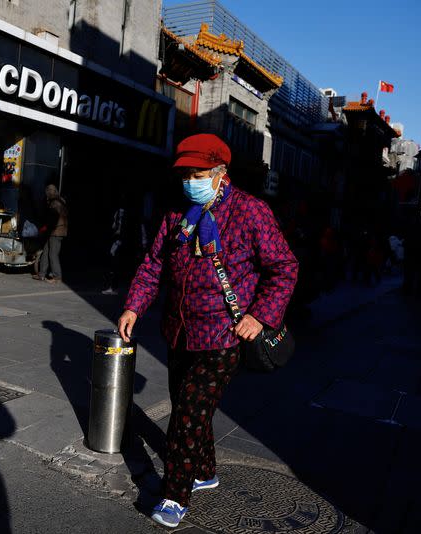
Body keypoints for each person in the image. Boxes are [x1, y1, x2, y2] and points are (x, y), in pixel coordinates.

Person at [116, 134, 298, 528]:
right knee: (191, 407)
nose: (189, 182)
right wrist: (134, 305)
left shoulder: (252, 212)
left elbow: (284, 268)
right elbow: (153, 265)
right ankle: (204, 472)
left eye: (197, 175)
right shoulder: (177, 213)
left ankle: (174, 496)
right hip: (179, 332)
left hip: (223, 336)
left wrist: (260, 316)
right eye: (185, 175)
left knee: (185, 417)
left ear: (221, 174)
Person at [35, 184, 68, 283]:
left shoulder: (55, 203)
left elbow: (53, 218)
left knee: (53, 254)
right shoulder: (60, 201)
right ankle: (42, 274)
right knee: (45, 252)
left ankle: (57, 277)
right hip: (55, 231)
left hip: (56, 232)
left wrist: (45, 228)